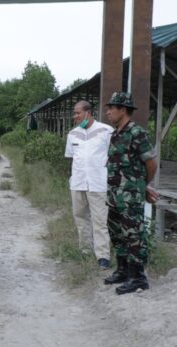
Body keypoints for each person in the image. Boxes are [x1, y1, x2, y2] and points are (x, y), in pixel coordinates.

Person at [103, 92, 159, 295]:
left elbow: (151, 163)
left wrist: (142, 186)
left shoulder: (137, 133)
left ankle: (138, 278)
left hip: (130, 196)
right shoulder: (116, 133)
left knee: (134, 235)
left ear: (123, 110)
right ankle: (123, 270)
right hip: (114, 196)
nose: (108, 111)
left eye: (112, 108)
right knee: (116, 233)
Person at [65, 100, 113, 269]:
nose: (75, 116)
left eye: (77, 113)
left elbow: (113, 156)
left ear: (88, 112)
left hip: (98, 183)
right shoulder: (73, 134)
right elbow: (71, 158)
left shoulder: (106, 131)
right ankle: (85, 251)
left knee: (99, 221)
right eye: (74, 113)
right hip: (78, 183)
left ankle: (102, 256)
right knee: (80, 218)